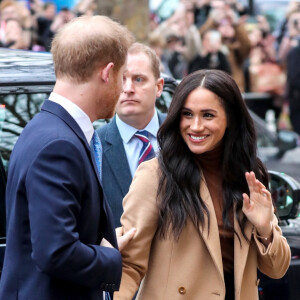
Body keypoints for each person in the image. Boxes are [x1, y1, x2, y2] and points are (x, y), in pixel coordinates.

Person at [114, 69, 291, 300]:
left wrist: (265, 228)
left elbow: (277, 269)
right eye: (187, 114)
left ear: (230, 119)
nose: (195, 126)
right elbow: (129, 265)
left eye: (208, 115)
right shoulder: (156, 175)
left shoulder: (248, 176)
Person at [0, 15, 135, 300]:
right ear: (107, 72)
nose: (124, 89)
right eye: (123, 77)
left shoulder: (45, 129)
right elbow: (55, 252)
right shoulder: (58, 144)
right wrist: (110, 258)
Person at [97, 43, 165, 228]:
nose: (128, 88)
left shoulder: (183, 134)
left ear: (159, 87)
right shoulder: (93, 146)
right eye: (121, 79)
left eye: (139, 79)